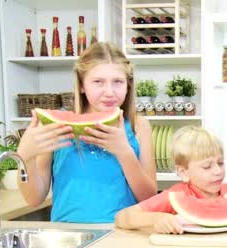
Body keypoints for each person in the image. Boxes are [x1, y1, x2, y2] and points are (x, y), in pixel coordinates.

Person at [16, 42, 156, 223]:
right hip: (68, 234)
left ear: (128, 85)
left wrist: (124, 153)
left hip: (122, 233)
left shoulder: (139, 127)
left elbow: (149, 198)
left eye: (118, 82)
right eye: (98, 82)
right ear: (82, 85)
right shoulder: (54, 126)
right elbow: (34, 199)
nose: (109, 92)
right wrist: (25, 157)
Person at [115, 126, 227, 234]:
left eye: (220, 163)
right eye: (207, 167)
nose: (218, 171)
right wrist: (158, 218)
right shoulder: (174, 196)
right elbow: (122, 217)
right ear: (183, 172)